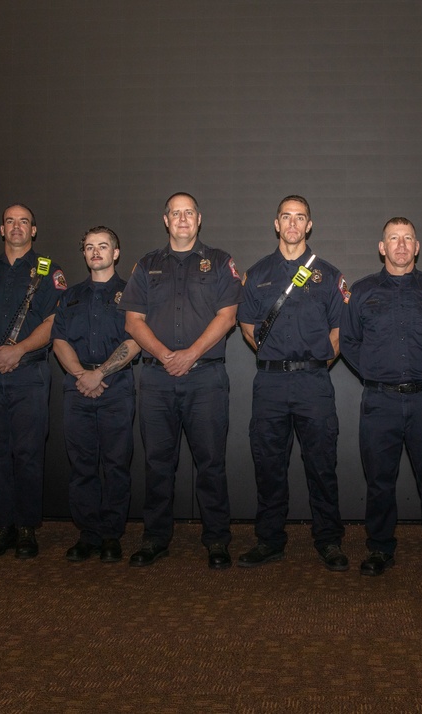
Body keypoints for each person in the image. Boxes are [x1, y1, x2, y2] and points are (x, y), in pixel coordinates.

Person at [119, 192, 242, 570]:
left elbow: (228, 316)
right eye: (176, 213)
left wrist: (190, 354)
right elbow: (132, 321)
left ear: (199, 219)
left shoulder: (220, 262)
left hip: (205, 379)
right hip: (156, 380)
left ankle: (217, 539)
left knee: (211, 464)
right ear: (166, 220)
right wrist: (164, 355)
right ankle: (156, 538)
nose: (183, 219)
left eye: (189, 213)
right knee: (157, 464)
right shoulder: (146, 265)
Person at [340, 217, 422, 579]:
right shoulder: (361, 292)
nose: (401, 245)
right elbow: (348, 341)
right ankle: (379, 548)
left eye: (408, 238)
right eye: (393, 238)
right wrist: (373, 371)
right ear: (382, 247)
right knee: (379, 482)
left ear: (417, 246)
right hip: (381, 403)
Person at [237, 195, 349, 571]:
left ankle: (329, 541)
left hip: (313, 383)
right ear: (276, 223)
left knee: (322, 465)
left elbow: (339, 331)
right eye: (286, 216)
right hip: (270, 383)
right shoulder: (257, 273)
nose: (293, 223)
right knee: (268, 465)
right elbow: (248, 326)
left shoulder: (329, 275)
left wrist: (315, 362)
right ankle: (270, 540)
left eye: (300, 217)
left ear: (309, 225)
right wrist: (275, 356)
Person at [0, 204, 66, 559]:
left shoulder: (48, 271)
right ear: (1, 229)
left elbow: (53, 323)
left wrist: (17, 351)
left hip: (29, 373)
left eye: (24, 222)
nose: (16, 227)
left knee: (29, 454)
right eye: (9, 221)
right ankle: (1, 527)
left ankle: (26, 529)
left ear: (33, 230)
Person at [52, 226, 140, 564]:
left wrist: (99, 374)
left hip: (115, 387)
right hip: (77, 387)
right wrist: (81, 375)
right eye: (90, 247)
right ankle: (88, 534)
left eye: (103, 246)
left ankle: (111, 536)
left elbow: (134, 341)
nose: (96, 252)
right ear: (84, 254)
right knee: (82, 466)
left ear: (116, 253)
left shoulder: (131, 295)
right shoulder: (70, 296)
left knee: (116, 465)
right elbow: (59, 339)